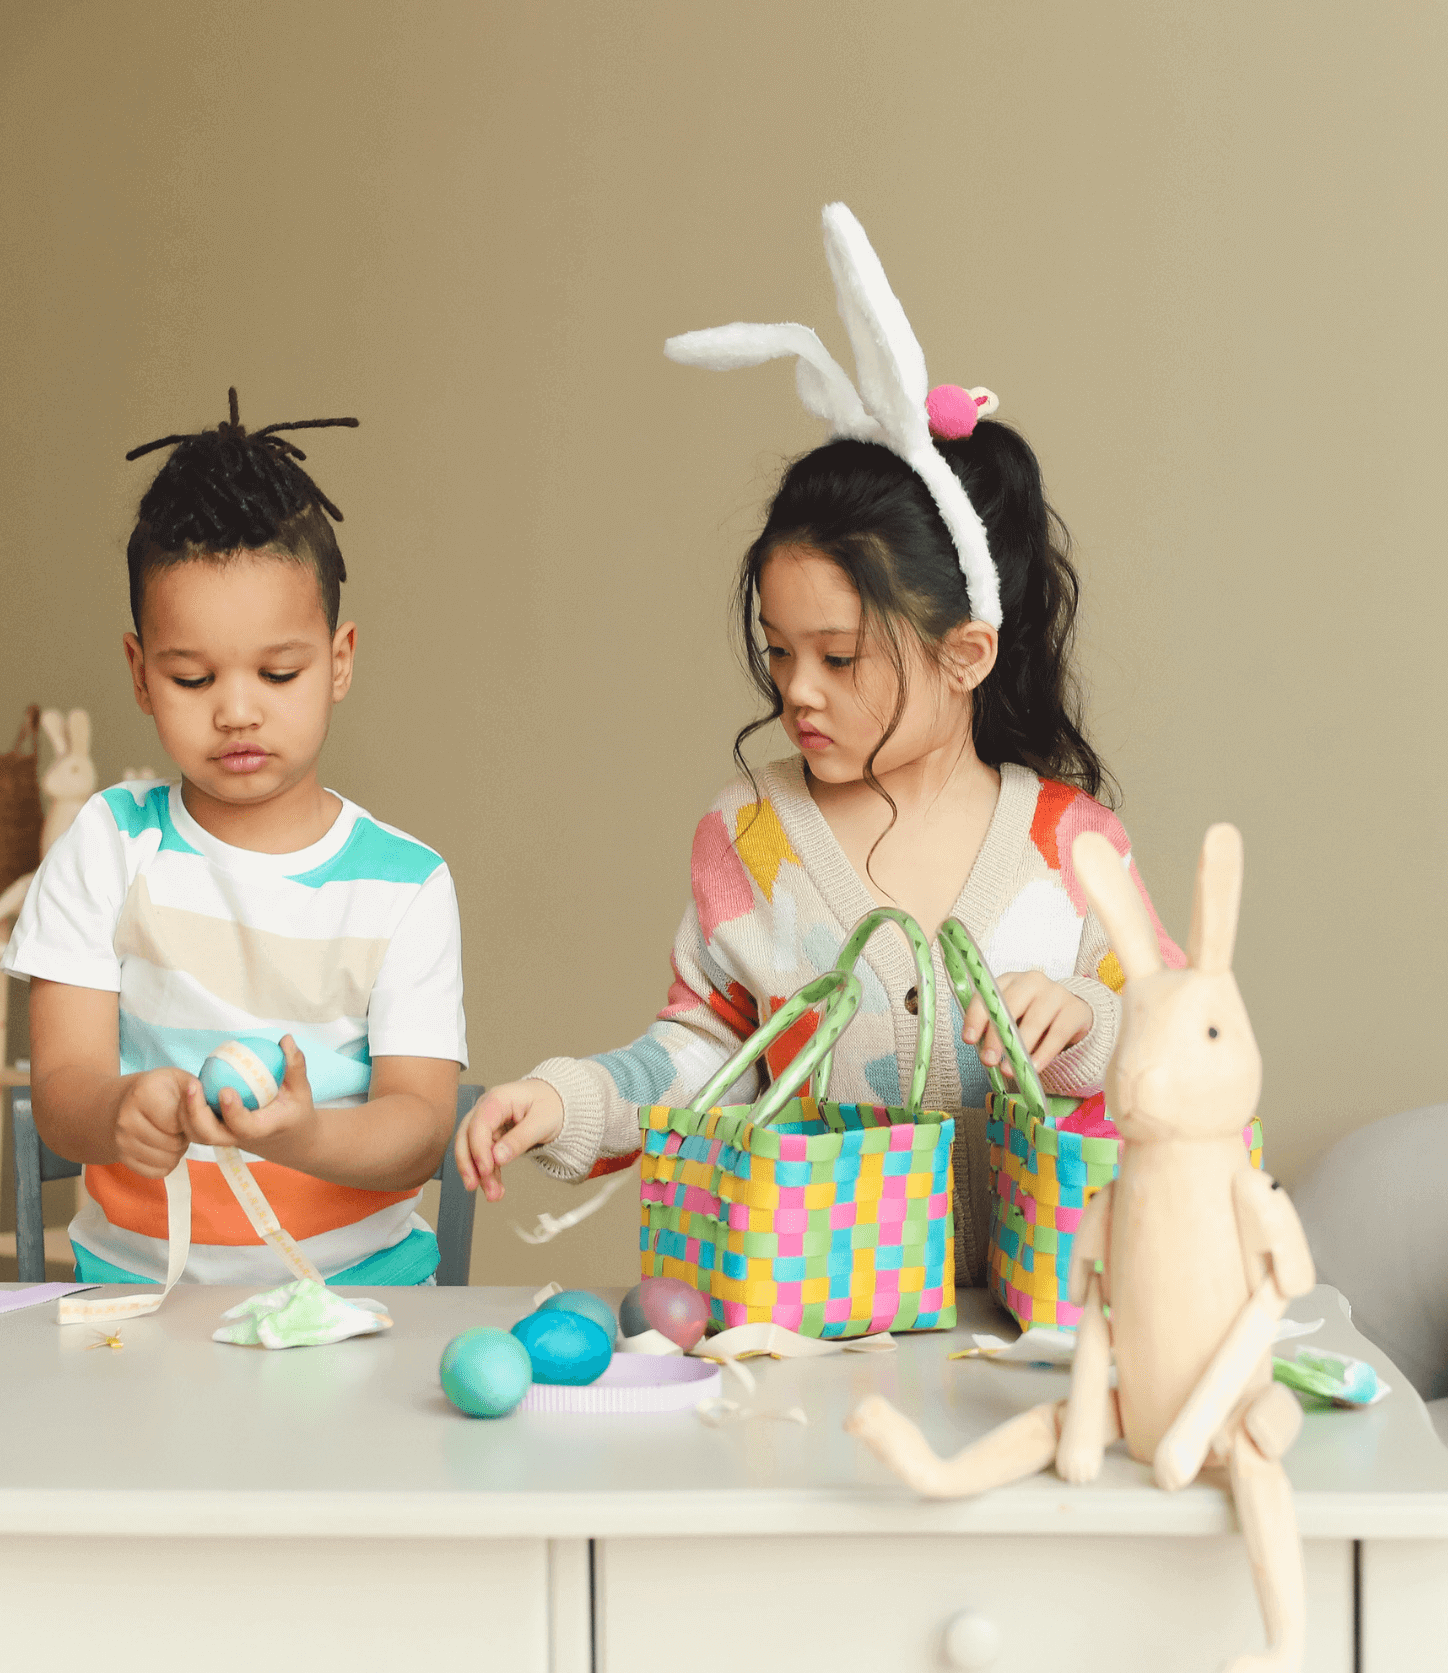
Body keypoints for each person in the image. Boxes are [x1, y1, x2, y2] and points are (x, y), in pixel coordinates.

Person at [456, 206, 1178, 1289]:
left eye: (840, 657)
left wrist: (1088, 1017)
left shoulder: (1070, 846)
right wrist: (569, 1099)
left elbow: (1182, 1045)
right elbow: (705, 1056)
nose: (797, 689)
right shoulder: (748, 838)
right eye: (779, 651)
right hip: (822, 1336)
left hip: (1043, 1338)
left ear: (965, 653)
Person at [3, 391, 466, 1288]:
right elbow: (61, 1093)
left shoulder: (406, 887)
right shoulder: (107, 846)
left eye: (279, 671)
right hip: (140, 1304)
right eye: (193, 676)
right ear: (141, 673)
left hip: (363, 1304)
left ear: (339, 661)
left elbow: (418, 1126)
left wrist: (307, 1135)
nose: (237, 709)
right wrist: (116, 1110)